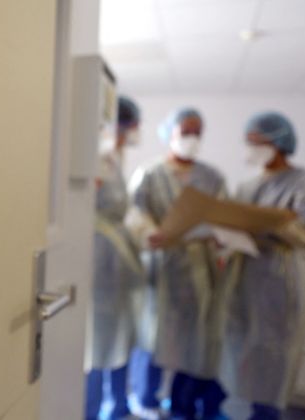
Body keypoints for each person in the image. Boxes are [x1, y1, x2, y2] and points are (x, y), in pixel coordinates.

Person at [220, 112, 305, 420]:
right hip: (244, 275)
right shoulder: (246, 186)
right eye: (248, 142)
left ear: (279, 142)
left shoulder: (304, 182)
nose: (251, 148)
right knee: (244, 351)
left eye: (258, 142)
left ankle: (266, 414)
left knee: (274, 355)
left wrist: (275, 226)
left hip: (279, 278)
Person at [127, 108, 227, 420]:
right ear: (169, 133)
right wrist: (149, 232)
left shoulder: (212, 177)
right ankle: (146, 398)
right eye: (186, 132)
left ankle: (182, 403)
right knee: (153, 334)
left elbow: (224, 216)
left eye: (198, 132)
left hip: (199, 265)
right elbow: (134, 213)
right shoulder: (150, 173)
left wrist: (223, 236)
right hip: (161, 263)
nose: (192, 139)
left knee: (196, 337)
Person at [84, 96, 144, 420]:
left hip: (116, 259)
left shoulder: (113, 158)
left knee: (119, 334)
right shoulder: (96, 157)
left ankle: (119, 405)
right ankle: (90, 411)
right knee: (96, 341)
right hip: (99, 259)